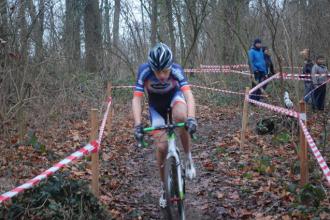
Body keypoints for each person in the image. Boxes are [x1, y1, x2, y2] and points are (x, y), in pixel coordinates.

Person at [132, 42, 197, 208]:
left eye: (165, 71)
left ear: (170, 66)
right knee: (161, 147)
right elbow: (137, 98)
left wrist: (191, 118)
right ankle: (164, 187)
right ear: (151, 67)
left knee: (181, 117)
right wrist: (138, 124)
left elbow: (188, 95)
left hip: (175, 99)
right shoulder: (144, 71)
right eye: (157, 71)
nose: (161, 75)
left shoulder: (176, 69)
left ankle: (188, 158)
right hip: (156, 107)